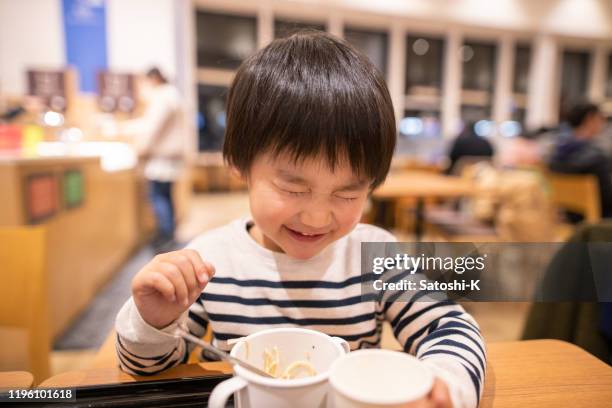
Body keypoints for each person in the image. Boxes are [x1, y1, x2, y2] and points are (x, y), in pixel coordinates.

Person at [115, 32, 485, 408]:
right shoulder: (210, 261)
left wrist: (445, 385)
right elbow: (146, 371)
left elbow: (449, 325)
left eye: (348, 193)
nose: (317, 216)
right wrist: (153, 322)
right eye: (293, 188)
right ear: (239, 165)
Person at [125, 67, 185, 251]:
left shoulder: (163, 97)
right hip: (171, 155)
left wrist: (140, 149)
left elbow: (153, 128)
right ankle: (168, 234)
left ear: (154, 78)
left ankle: (165, 237)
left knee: (158, 197)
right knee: (166, 196)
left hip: (162, 157)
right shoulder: (173, 95)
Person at [549, 102, 612, 219]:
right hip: (595, 221)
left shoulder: (555, 153)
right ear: (590, 119)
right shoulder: (597, 158)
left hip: (568, 215)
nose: (603, 123)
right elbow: (607, 198)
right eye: (600, 118)